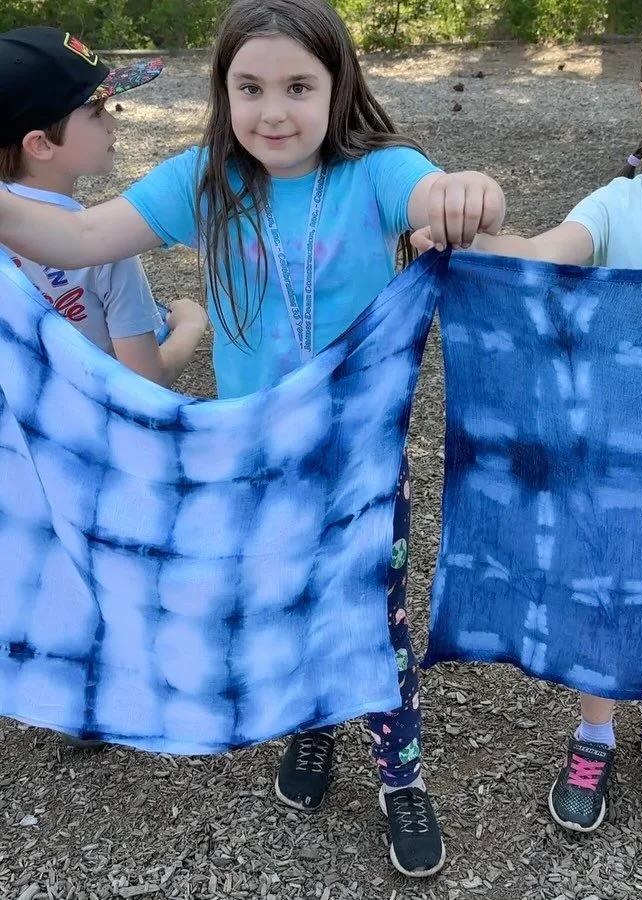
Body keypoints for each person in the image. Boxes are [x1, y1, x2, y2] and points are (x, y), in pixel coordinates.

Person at [0, 0, 505, 877]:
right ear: (223, 92)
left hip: (359, 467)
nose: (275, 112)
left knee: (373, 623)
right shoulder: (203, 180)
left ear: (339, 87)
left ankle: (401, 775)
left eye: (299, 87)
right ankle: (308, 727)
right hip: (250, 468)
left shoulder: (378, 173)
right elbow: (77, 237)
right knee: (282, 605)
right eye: (250, 88)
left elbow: (431, 194)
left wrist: (464, 193)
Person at [413, 0, 642, 836]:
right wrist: (471, 234)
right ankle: (594, 733)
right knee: (605, 591)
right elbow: (537, 261)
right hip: (613, 462)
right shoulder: (620, 205)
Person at [0, 26, 207, 387]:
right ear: (40, 145)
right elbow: (147, 379)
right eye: (97, 112)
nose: (114, 122)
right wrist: (191, 324)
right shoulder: (109, 249)